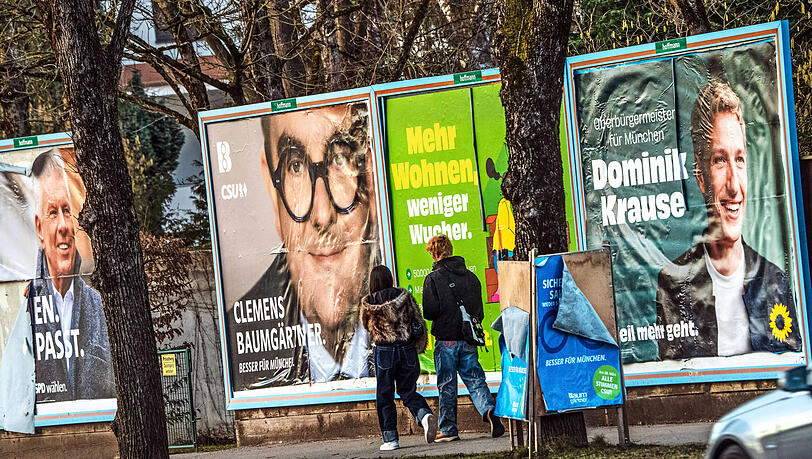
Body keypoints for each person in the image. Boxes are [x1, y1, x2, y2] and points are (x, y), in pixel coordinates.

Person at [237, 103, 379, 388]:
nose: (322, 214)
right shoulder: (237, 332)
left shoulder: (404, 298)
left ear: (372, 176)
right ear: (270, 185)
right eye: (296, 166)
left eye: (341, 160)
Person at [656, 80, 801, 359]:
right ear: (700, 177)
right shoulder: (673, 283)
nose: (734, 185)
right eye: (720, 160)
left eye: (740, 159)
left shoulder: (774, 280)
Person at [28, 151, 113, 402]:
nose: (64, 225)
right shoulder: (25, 311)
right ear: (39, 228)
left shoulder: (98, 306)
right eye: (53, 213)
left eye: (68, 210)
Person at [422, 234, 504, 441]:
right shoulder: (471, 277)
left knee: (447, 384)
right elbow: (478, 311)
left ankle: (448, 429)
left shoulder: (433, 279)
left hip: (446, 338)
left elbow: (429, 312)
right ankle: (489, 411)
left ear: (434, 253)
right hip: (468, 338)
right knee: (475, 379)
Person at [361, 265, 436, 451]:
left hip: (385, 351)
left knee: (384, 395)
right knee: (407, 390)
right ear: (389, 278)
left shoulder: (369, 303)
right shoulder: (404, 297)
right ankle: (424, 415)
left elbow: (366, 326)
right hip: (407, 349)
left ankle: (391, 439)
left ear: (373, 282)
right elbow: (418, 322)